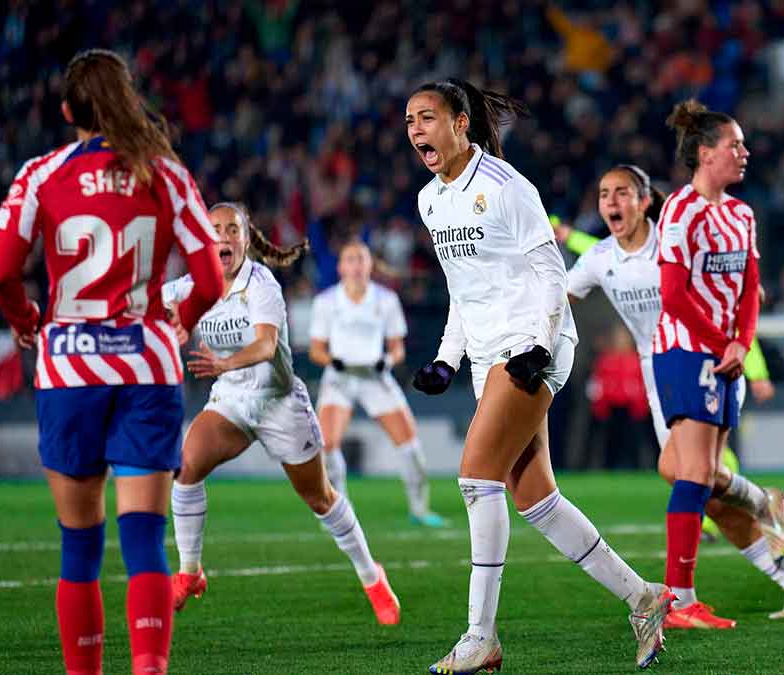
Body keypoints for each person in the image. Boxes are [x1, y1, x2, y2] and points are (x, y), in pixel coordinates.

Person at [406, 78, 672, 673]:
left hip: (533, 346)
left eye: (427, 117)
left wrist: (536, 345)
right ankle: (643, 597)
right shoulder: (430, 200)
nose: (417, 130)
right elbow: (463, 289)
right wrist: (448, 356)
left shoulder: (506, 187)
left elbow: (552, 274)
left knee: (476, 479)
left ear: (460, 122)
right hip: (486, 354)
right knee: (537, 500)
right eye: (409, 122)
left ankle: (480, 637)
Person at [0, 49, 225, 674]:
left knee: (79, 548)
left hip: (68, 370)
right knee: (143, 539)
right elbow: (208, 277)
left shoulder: (41, 173)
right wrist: (181, 320)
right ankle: (150, 668)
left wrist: (24, 321)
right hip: (145, 368)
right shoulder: (165, 173)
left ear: (68, 111)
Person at [565, 163, 784, 624]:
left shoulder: (675, 240)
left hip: (702, 359)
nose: (611, 202)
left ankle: (683, 599)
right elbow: (561, 297)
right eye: (604, 194)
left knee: (687, 474)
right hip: (659, 371)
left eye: (623, 192)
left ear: (645, 202)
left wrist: (749, 356)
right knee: (708, 492)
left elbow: (746, 291)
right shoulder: (600, 257)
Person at [163, 203, 401, 627]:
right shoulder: (192, 285)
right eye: (215, 229)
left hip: (279, 403)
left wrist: (224, 363)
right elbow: (148, 302)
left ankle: (372, 577)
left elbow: (266, 346)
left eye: (232, 229)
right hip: (232, 402)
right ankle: (189, 571)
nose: (223, 236)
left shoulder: (261, 284)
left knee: (320, 498)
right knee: (186, 467)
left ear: (245, 239)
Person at [648, 99, 784, 630]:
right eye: (735, 145)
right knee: (691, 473)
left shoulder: (742, 214)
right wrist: (720, 342)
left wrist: (741, 346)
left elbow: (753, 290)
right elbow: (675, 296)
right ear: (705, 154)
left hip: (727, 357)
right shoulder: (680, 211)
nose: (745, 153)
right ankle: (681, 599)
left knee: (701, 483)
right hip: (686, 350)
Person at [308, 240, 443, 526]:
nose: (357, 265)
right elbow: (316, 349)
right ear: (341, 266)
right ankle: (337, 510)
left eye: (361, 259)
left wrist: (388, 361)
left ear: (370, 265)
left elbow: (397, 348)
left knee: (410, 444)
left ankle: (419, 510)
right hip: (340, 378)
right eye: (351, 259)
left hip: (375, 377)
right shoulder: (327, 301)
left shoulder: (386, 300)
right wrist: (334, 361)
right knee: (328, 445)